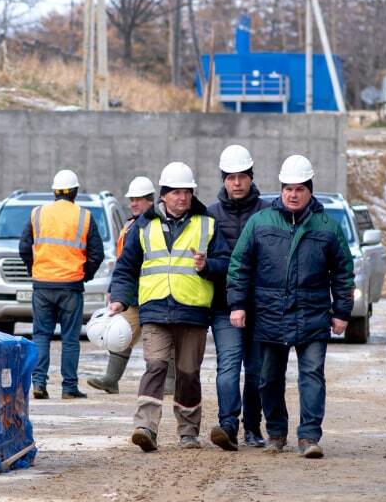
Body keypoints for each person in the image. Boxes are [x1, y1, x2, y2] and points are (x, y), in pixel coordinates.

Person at [226, 155, 353, 459]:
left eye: (299, 189)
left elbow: (344, 272)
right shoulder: (260, 223)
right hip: (270, 314)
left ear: (311, 190)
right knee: (268, 377)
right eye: (288, 189)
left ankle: (309, 436)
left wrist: (341, 312)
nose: (293, 194)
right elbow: (239, 265)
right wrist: (238, 305)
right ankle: (276, 432)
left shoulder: (327, 227)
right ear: (281, 190)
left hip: (312, 314)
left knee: (311, 374)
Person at [109, 161, 229, 452]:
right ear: (163, 194)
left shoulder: (207, 224)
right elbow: (126, 267)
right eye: (176, 192)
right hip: (155, 309)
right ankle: (145, 427)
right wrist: (120, 299)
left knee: (188, 373)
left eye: (187, 192)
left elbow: (226, 263)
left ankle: (188, 432)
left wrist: (207, 265)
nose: (182, 198)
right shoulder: (144, 226)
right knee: (156, 366)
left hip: (193, 311)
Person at [19, 169, 105, 400]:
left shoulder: (37, 214)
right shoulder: (84, 216)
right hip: (71, 286)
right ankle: (69, 388)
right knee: (69, 338)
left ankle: (38, 383)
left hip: (43, 285)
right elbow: (97, 253)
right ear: (75, 192)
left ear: (54, 192)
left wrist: (34, 271)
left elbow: (24, 248)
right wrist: (84, 275)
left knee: (41, 335)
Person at [206, 144, 267, 452]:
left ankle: (253, 427)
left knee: (256, 370)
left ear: (251, 177)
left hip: (260, 307)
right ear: (224, 180)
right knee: (228, 367)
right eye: (231, 177)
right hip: (223, 307)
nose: (237, 183)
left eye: (242, 176)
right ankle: (227, 424)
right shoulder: (209, 215)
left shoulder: (268, 213)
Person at [87, 176, 155, 394]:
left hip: (154, 292)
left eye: (139, 199)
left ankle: (170, 384)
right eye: (132, 199)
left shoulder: (155, 226)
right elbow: (123, 263)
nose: (133, 203)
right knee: (121, 332)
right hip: (132, 294)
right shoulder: (131, 225)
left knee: (164, 338)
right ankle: (111, 379)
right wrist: (114, 290)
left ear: (150, 201)